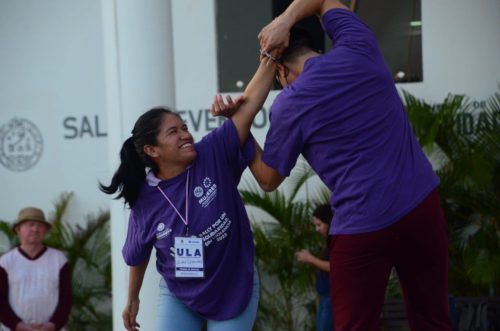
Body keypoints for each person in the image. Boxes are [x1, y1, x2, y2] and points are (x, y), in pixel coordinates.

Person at [213, 0, 452, 330]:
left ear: (280, 72)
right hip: (420, 206)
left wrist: (239, 127)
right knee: (433, 319)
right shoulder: (359, 46)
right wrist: (284, 20)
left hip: (362, 224)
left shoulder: (291, 104)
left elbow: (267, 179)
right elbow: (324, 1)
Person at [100, 55, 276, 331]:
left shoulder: (212, 151)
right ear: (152, 150)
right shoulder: (145, 199)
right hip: (180, 294)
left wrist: (270, 57)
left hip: (233, 285)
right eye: (173, 132)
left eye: (184, 128)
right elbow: (138, 253)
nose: (185, 134)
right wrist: (132, 298)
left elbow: (249, 105)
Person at [0, 207, 72, 331]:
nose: (35, 229)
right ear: (18, 230)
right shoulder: (6, 262)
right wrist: (18, 326)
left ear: (45, 230)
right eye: (30, 224)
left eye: (40, 225)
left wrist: (53, 325)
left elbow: (66, 298)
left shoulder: (59, 260)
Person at [295, 204, 334, 331]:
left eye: (319, 224)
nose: (317, 229)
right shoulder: (328, 242)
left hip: (331, 297)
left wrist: (310, 259)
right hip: (324, 296)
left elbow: (334, 267)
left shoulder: (336, 241)